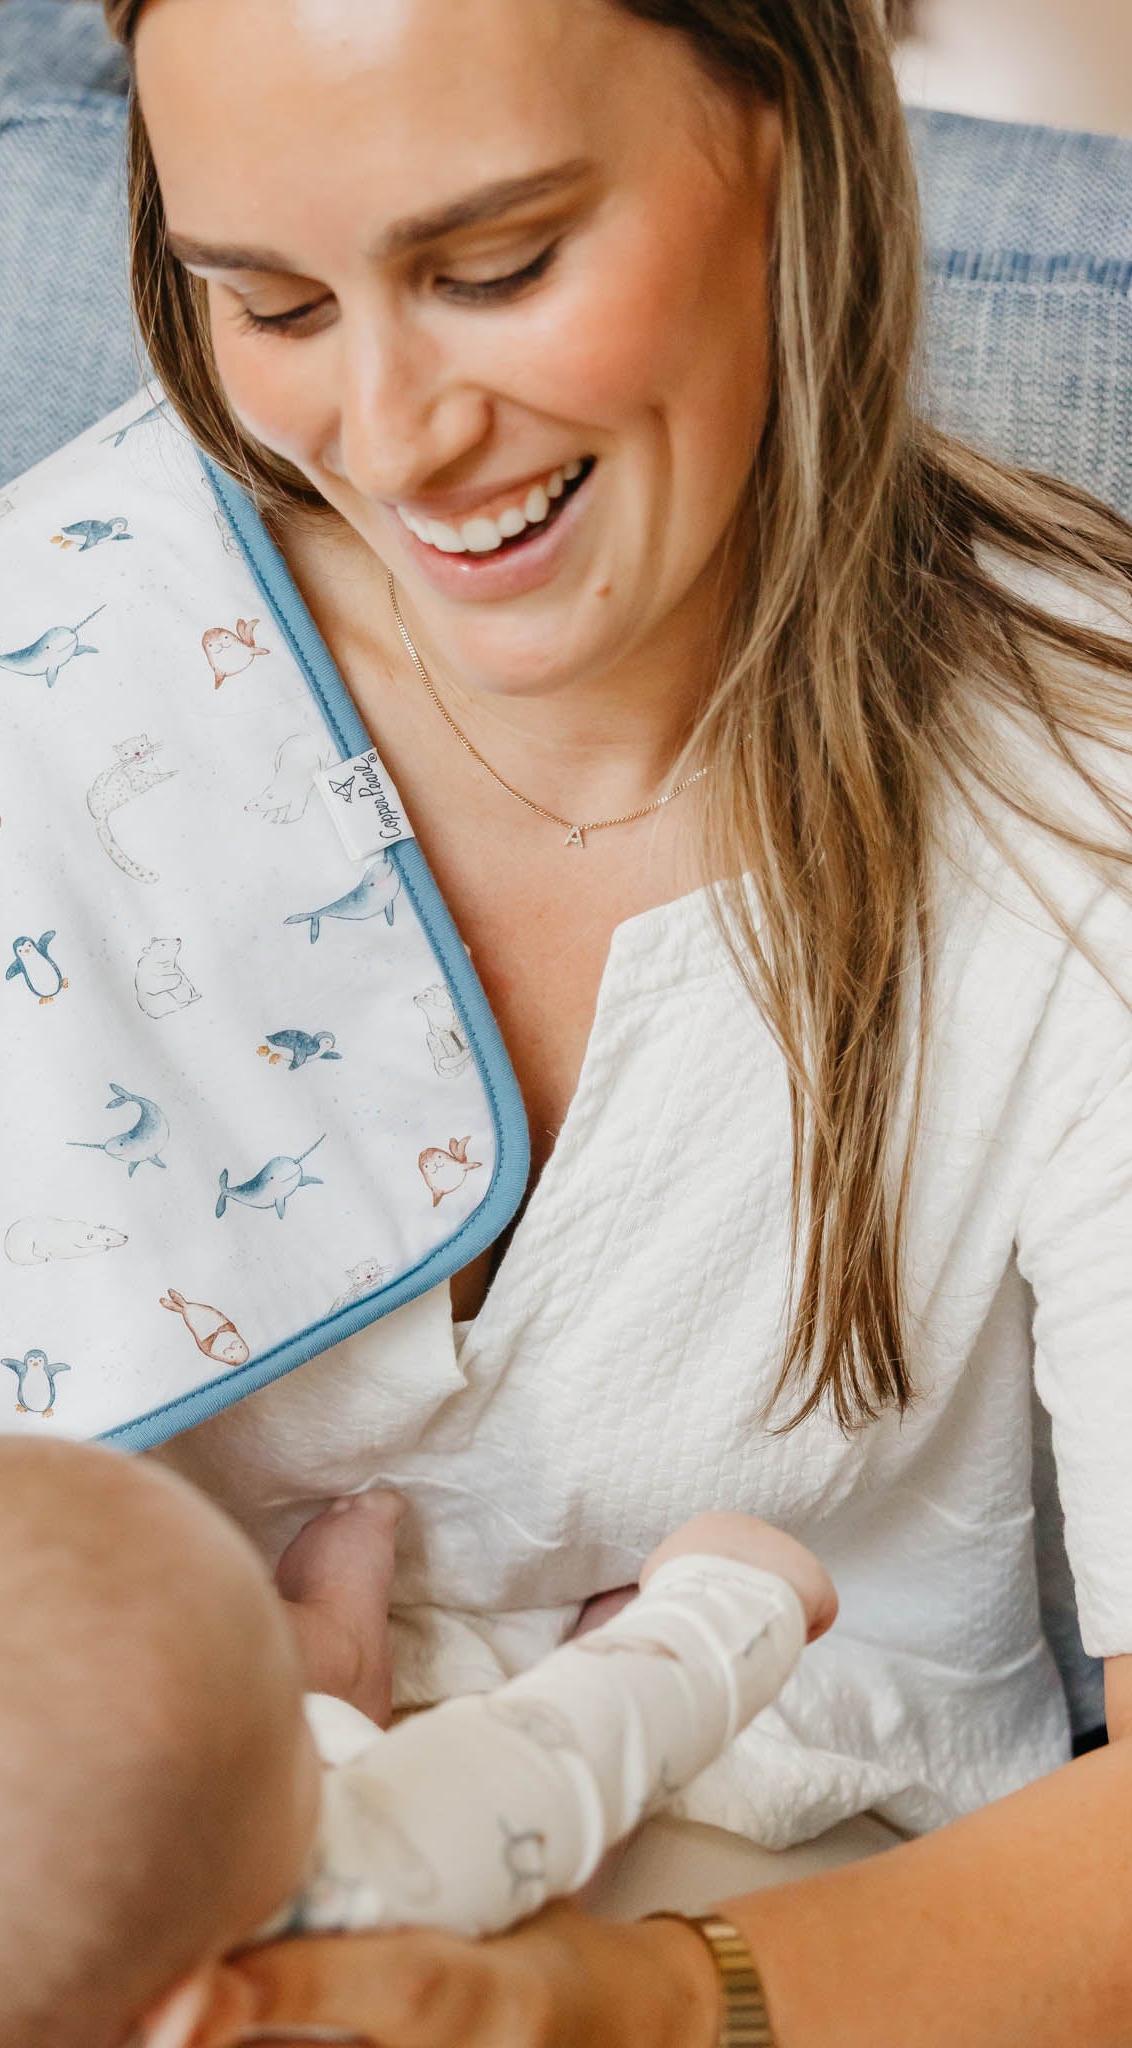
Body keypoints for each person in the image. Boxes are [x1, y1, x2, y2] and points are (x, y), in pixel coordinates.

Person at [91, 0, 1132, 2038]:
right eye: (272, 302)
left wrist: (627, 2005)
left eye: (493, 268)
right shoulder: (79, 673)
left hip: (790, 1909)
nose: (390, 438)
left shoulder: (1080, 794)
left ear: (794, 135)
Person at [0, 1438, 835, 2048]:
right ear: (194, 2019)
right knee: (527, 1883)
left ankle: (318, 1654)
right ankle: (332, 1659)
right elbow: (566, 1753)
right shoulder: (339, 1891)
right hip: (376, 1882)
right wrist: (732, 1599)